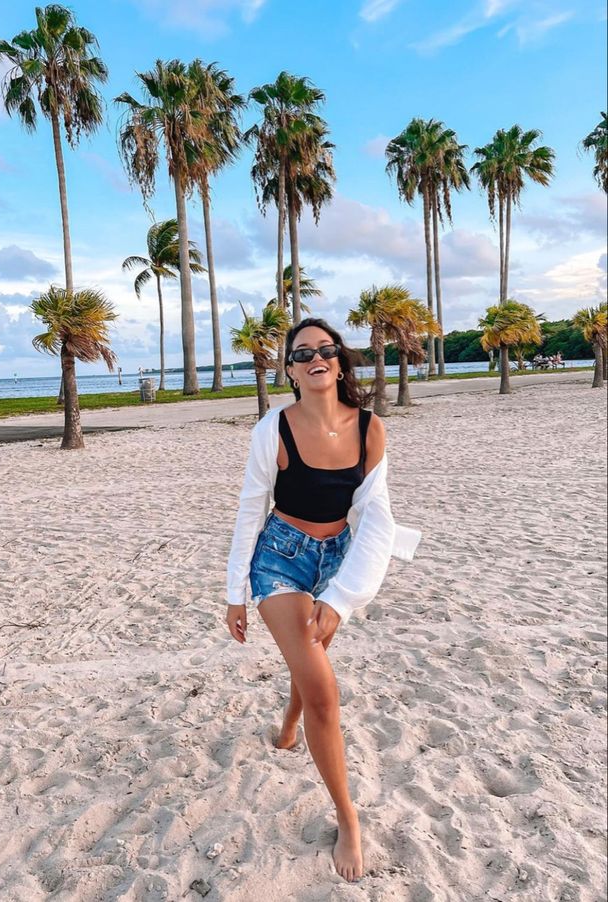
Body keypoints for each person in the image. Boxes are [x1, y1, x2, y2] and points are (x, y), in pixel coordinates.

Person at [225, 317, 422, 883]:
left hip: (338, 557)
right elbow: (248, 508)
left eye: (326, 349)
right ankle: (348, 817)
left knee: (307, 666)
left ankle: (287, 729)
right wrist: (234, 592)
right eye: (303, 352)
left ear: (340, 362)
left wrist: (342, 595)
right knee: (325, 691)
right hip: (280, 558)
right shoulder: (272, 430)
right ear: (289, 369)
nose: (317, 357)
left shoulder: (370, 429)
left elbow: (377, 518)